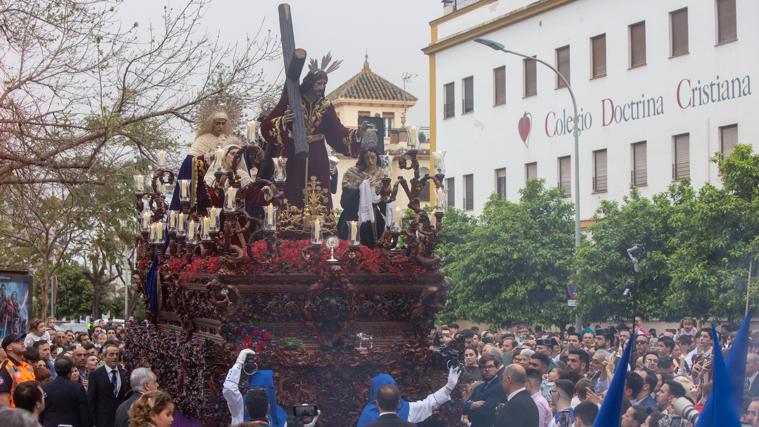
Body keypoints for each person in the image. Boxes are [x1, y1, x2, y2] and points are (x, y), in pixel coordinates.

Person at [260, 53, 364, 208]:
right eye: (318, 84)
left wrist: (357, 134)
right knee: (292, 194)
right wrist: (282, 121)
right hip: (293, 155)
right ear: (310, 83)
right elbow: (266, 125)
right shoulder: (292, 100)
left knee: (318, 197)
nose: (321, 88)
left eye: (323, 84)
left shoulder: (326, 106)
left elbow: (337, 133)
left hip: (317, 157)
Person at [357, 366, 461, 426]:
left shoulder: (367, 416)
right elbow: (429, 403)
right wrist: (449, 387)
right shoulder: (406, 409)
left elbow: (428, 403)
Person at [336, 146, 386, 248]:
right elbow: (344, 202)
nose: (371, 161)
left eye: (373, 157)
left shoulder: (382, 176)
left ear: (377, 158)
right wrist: (361, 188)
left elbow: (383, 202)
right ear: (362, 159)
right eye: (367, 158)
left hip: (374, 221)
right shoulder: (352, 174)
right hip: (353, 218)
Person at [223, 349, 288, 426]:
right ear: (268, 407)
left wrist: (239, 363)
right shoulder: (280, 416)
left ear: (246, 407)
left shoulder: (240, 411)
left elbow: (229, 389)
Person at [40, 356, 91, 427]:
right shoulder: (77, 388)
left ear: (55, 369)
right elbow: (84, 412)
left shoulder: (45, 388)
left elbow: (41, 411)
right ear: (70, 370)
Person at [88, 343, 128, 427]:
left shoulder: (123, 373)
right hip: (103, 420)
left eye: (117, 354)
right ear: (103, 356)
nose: (114, 357)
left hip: (121, 419)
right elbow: (91, 400)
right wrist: (93, 423)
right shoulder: (96, 374)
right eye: (111, 354)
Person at [463, 354, 507, 427]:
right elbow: (463, 406)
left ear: (497, 368)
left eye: (490, 366)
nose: (487, 370)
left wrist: (468, 410)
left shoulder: (500, 387)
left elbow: (486, 412)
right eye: (484, 367)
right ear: (480, 369)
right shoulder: (478, 387)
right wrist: (472, 405)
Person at [0, 333, 37, 408]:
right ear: (9, 347)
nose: (22, 342)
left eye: (22, 340)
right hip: (17, 415)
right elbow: (3, 399)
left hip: (30, 414)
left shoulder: (28, 366)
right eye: (17, 341)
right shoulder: (5, 368)